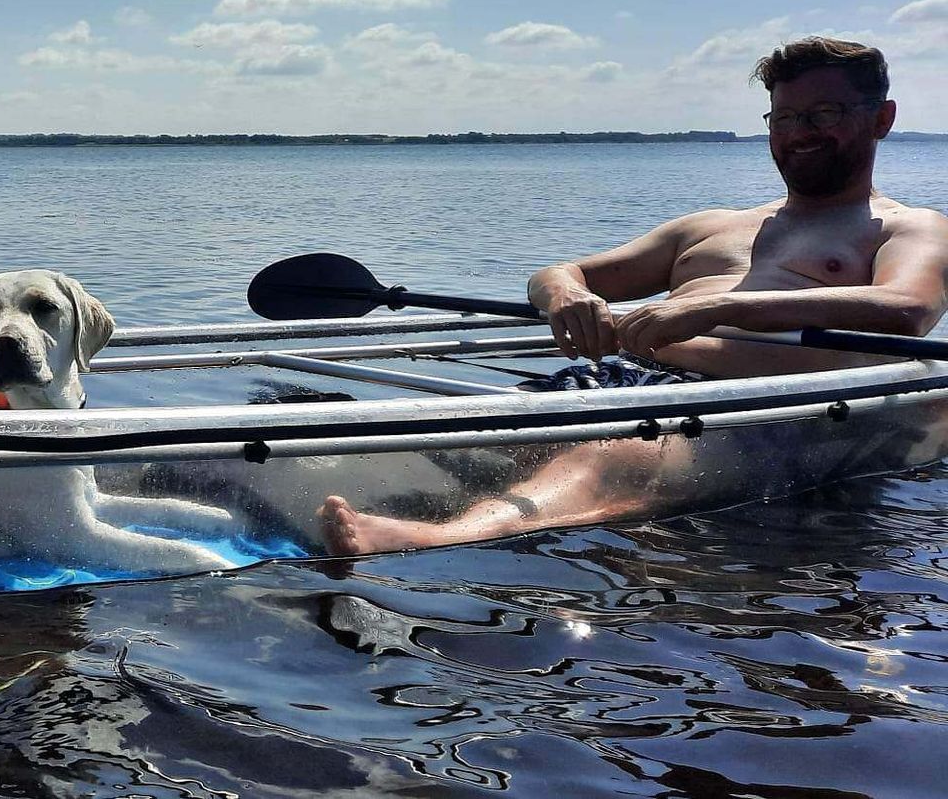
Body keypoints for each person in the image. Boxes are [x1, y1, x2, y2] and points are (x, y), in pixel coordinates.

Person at [318, 36, 948, 556]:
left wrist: (719, 307)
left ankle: (428, 537)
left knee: (613, 455)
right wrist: (565, 295)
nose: (799, 133)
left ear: (881, 119)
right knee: (463, 429)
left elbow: (907, 309)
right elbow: (560, 270)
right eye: (785, 118)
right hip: (624, 376)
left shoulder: (906, 227)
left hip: (770, 410)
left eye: (823, 115)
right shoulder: (708, 226)